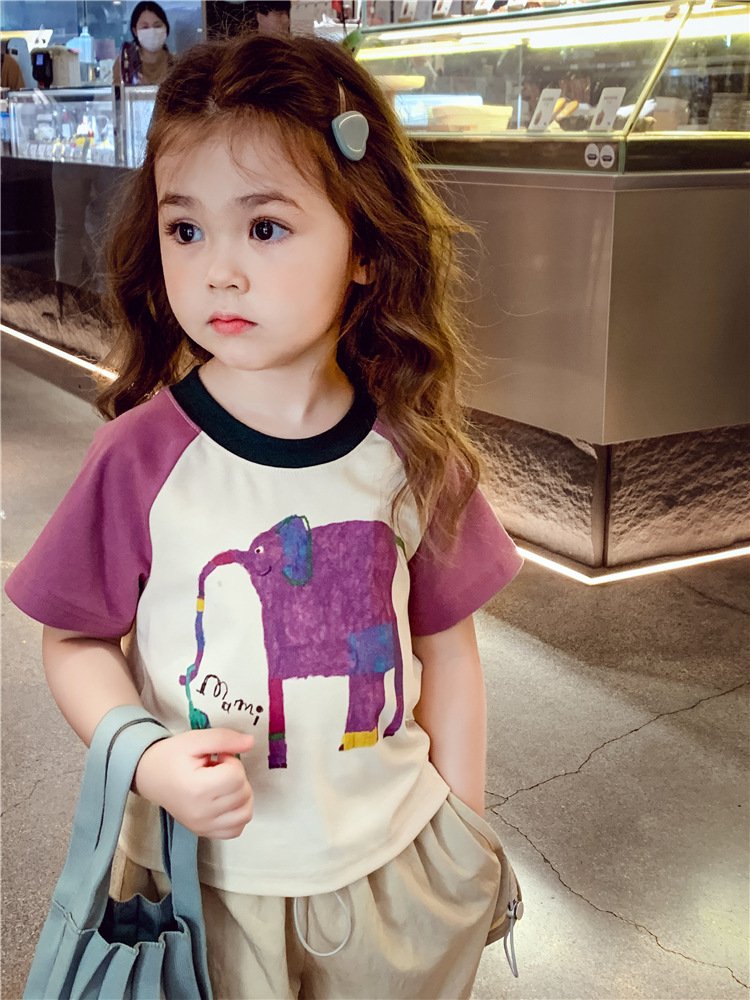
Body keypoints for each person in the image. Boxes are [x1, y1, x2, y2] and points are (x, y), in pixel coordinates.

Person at [5, 32, 523, 1000]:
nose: (218, 271)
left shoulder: (411, 453)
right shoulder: (141, 458)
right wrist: (148, 756)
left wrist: (464, 829)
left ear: (364, 247)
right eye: (185, 230)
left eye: (267, 228)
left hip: (394, 871)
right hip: (203, 888)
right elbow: (73, 637)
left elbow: (448, 650)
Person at [115, 0, 174, 86]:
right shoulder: (125, 64)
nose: (152, 31)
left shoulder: (177, 65)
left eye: (157, 26)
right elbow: (117, 92)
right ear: (135, 31)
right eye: (145, 27)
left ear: (166, 28)